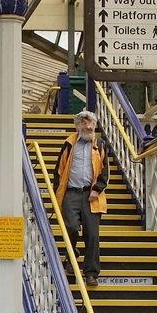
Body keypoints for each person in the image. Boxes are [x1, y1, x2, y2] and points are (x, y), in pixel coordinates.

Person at [52, 109, 109, 286]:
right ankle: (71, 254)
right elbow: (59, 170)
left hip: (91, 195)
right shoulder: (69, 144)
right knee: (70, 226)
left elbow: (105, 171)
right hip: (71, 192)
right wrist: (56, 193)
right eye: (83, 122)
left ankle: (91, 273)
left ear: (95, 125)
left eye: (90, 122)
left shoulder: (99, 144)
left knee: (92, 235)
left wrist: (97, 189)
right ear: (77, 126)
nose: (87, 126)